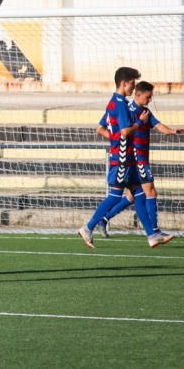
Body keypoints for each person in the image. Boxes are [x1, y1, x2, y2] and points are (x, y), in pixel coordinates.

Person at [77, 67, 158, 249]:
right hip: (122, 158)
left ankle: (153, 235)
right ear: (124, 83)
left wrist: (116, 139)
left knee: (138, 194)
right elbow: (124, 131)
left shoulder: (113, 102)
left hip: (124, 156)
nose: (133, 87)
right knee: (115, 196)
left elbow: (101, 128)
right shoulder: (120, 103)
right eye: (132, 84)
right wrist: (140, 123)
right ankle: (88, 227)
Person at [95, 81, 180, 246]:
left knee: (133, 196)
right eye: (148, 97)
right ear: (139, 94)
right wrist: (117, 141)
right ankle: (154, 231)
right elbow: (103, 127)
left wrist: (172, 131)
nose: (150, 100)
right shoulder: (126, 110)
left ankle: (103, 220)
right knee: (150, 191)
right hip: (135, 158)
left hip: (141, 158)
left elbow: (157, 124)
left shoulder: (146, 112)